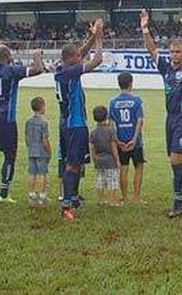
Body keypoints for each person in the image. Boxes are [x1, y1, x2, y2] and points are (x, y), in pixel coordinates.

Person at [140, 9, 182, 218]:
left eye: (178, 52)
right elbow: (151, 50)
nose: (175, 55)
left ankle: (178, 202)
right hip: (171, 119)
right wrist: (145, 29)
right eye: (172, 52)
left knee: (175, 159)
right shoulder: (165, 69)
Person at [0, 45, 44, 204]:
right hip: (6, 118)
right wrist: (37, 54)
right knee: (9, 155)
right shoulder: (12, 70)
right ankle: (4, 193)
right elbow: (38, 69)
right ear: (7, 56)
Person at [55, 19, 104, 220]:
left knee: (74, 162)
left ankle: (73, 197)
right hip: (75, 124)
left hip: (66, 123)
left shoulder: (63, 69)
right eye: (77, 56)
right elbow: (97, 60)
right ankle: (67, 203)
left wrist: (92, 36)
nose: (80, 56)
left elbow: (80, 54)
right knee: (73, 165)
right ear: (70, 59)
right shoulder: (71, 71)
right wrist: (100, 38)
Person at [109, 72, 146, 204]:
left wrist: (117, 141)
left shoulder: (113, 103)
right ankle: (136, 197)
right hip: (135, 142)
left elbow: (111, 124)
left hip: (121, 141)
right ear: (131, 83)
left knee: (123, 168)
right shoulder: (137, 101)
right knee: (139, 167)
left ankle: (124, 198)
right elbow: (139, 121)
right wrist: (135, 139)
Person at [90, 105, 121, 206]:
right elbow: (113, 147)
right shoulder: (110, 131)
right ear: (106, 116)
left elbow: (92, 148)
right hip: (110, 160)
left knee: (100, 180)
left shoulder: (93, 132)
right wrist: (117, 161)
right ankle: (112, 200)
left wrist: (94, 160)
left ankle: (100, 199)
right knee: (112, 180)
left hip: (99, 160)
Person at [25, 97, 51, 206]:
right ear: (42, 107)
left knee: (32, 173)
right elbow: (45, 139)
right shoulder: (44, 122)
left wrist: (29, 146)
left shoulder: (28, 121)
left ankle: (31, 194)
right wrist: (49, 151)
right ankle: (41, 195)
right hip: (41, 151)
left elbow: (26, 136)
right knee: (42, 174)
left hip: (31, 150)